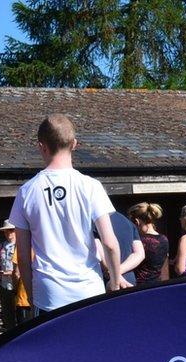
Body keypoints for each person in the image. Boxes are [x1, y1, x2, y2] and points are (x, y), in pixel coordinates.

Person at [10, 114, 125, 317]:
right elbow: (109, 243)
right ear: (74, 144)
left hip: (49, 294)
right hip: (89, 290)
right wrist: (115, 283)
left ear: (41, 146)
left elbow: (22, 256)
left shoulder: (27, 191)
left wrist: (31, 293)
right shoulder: (90, 186)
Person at [96, 211, 144, 287]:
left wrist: (114, 274)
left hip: (107, 283)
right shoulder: (128, 222)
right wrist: (119, 271)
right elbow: (140, 254)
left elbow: (100, 249)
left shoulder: (95, 220)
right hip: (129, 282)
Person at [127, 202, 170, 285]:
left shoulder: (138, 241)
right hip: (156, 286)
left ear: (136, 222)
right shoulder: (164, 239)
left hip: (137, 287)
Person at [0, 220, 18, 329]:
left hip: (18, 284)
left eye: (11, 230)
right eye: (6, 231)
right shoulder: (1, 246)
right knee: (7, 312)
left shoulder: (21, 245)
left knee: (19, 312)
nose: (8, 233)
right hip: (4, 284)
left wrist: (11, 273)